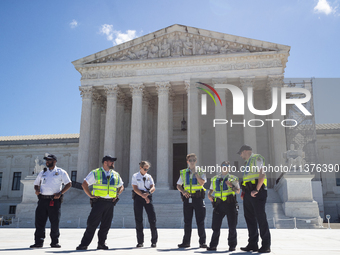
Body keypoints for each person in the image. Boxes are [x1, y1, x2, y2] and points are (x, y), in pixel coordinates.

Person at [76, 155, 124, 250]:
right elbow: (84, 184)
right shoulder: (96, 173)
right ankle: (84, 244)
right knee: (92, 224)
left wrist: (117, 194)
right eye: (111, 161)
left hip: (110, 203)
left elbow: (121, 186)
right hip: (99, 202)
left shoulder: (115, 174)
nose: (113, 163)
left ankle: (101, 244)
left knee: (106, 225)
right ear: (105, 162)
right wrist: (90, 195)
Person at [30, 154, 71, 248]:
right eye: (46, 160)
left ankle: (54, 242)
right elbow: (36, 183)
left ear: (54, 161)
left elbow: (69, 184)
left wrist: (60, 193)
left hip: (54, 200)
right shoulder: (42, 172)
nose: (47, 162)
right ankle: (38, 242)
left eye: (49, 160)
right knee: (39, 222)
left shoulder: (61, 172)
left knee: (54, 222)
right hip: (42, 200)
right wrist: (37, 190)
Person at [238, 145, 271, 253]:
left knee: (261, 218)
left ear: (246, 151)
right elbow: (247, 180)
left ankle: (266, 245)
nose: (241, 155)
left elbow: (262, 174)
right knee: (250, 218)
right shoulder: (247, 163)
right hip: (248, 193)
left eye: (241, 153)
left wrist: (256, 189)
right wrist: (244, 193)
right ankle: (253, 244)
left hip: (257, 192)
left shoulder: (257, 158)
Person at [207, 161, 240, 251]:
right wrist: (209, 195)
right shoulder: (214, 178)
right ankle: (213, 245)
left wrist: (231, 185)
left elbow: (237, 191)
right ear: (221, 167)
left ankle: (232, 245)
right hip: (218, 204)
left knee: (232, 226)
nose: (225, 167)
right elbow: (211, 189)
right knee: (215, 226)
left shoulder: (233, 178)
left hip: (230, 204)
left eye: (227, 166)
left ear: (229, 168)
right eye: (224, 166)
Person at [177, 153, 207, 248]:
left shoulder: (200, 171)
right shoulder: (183, 172)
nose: (192, 162)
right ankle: (186, 242)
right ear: (187, 162)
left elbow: (202, 182)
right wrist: (183, 191)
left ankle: (202, 242)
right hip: (187, 199)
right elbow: (178, 185)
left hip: (198, 198)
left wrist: (196, 174)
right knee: (187, 221)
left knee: (200, 221)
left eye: (194, 160)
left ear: (196, 161)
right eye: (190, 160)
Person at [131, 161, 158, 248]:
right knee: (138, 220)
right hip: (138, 197)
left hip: (147, 195)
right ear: (141, 168)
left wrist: (148, 193)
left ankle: (154, 241)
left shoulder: (149, 177)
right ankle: (140, 242)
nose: (146, 171)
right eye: (145, 169)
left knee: (152, 219)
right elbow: (135, 188)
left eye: (147, 169)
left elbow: (153, 187)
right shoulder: (135, 176)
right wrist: (143, 195)